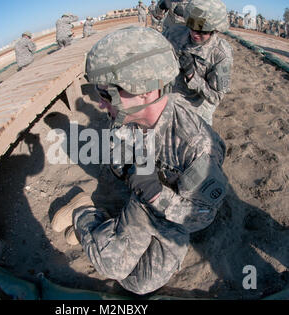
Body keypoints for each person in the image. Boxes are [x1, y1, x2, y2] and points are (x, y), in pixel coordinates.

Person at [51, 26, 228, 295]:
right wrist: (134, 173)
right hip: (140, 201)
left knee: (138, 284)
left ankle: (97, 227)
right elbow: (117, 160)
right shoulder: (125, 117)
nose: (101, 104)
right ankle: (83, 212)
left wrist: (156, 194)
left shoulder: (196, 145)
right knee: (112, 264)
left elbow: (201, 216)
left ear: (144, 91)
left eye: (108, 94)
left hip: (172, 213)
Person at [163, 0, 233, 126]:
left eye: (202, 31)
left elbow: (215, 96)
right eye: (192, 27)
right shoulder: (174, 33)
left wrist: (191, 75)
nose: (195, 34)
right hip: (168, 92)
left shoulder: (221, 55)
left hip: (197, 103)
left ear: (214, 30)